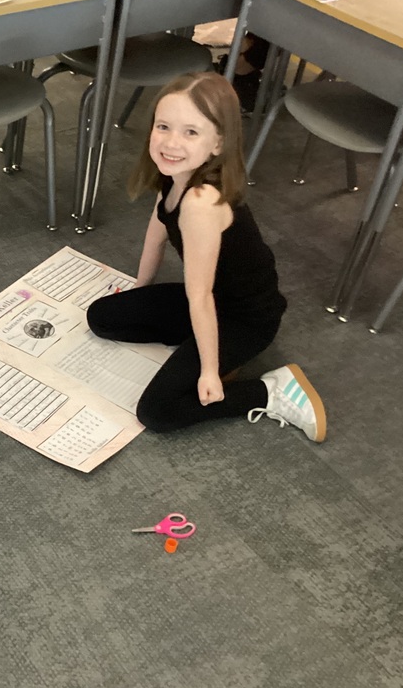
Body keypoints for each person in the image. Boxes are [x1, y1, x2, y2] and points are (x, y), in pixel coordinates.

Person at [87, 71, 326, 441]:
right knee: (101, 317)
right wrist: (140, 288)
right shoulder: (174, 173)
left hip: (246, 319)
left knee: (156, 411)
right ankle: (195, 349)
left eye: (190, 132)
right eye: (163, 126)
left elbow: (199, 296)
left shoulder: (201, 202)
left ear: (218, 144)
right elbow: (157, 235)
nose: (171, 142)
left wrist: (209, 371)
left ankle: (269, 391)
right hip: (213, 302)